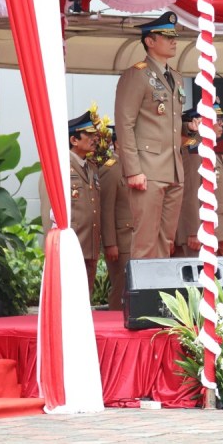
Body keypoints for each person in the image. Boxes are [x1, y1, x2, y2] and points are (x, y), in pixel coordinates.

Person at [114, 11, 185, 260]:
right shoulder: (137, 74)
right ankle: (141, 298)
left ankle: (162, 298)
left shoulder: (176, 77)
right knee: (145, 241)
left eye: (174, 36)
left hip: (174, 168)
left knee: (165, 241)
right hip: (148, 168)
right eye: (167, 37)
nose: (174, 41)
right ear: (150, 41)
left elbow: (173, 124)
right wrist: (133, 169)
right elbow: (124, 124)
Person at [41, 111, 104, 297]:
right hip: (70, 244)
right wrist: (52, 245)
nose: (94, 139)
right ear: (74, 140)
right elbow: (47, 210)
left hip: (89, 243)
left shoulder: (90, 167)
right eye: (89, 135)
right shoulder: (58, 166)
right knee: (68, 297)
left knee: (85, 296)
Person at [178, 99, 223, 261]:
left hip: (219, 229)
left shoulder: (213, 148)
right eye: (217, 120)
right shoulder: (195, 147)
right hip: (203, 230)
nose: (222, 124)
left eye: (222, 120)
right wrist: (193, 230)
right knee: (202, 280)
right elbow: (191, 190)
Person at [99, 126, 132, 310]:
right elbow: (106, 209)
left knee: (132, 289)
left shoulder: (131, 166)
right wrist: (110, 243)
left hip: (134, 237)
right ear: (117, 143)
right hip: (121, 240)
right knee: (120, 288)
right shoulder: (111, 169)